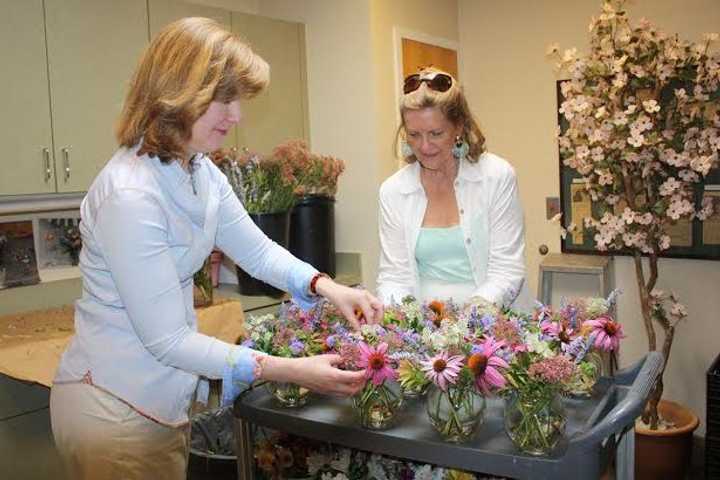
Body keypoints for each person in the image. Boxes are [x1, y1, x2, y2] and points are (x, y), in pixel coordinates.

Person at [49, 17, 382, 480]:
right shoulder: (130, 195)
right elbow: (168, 341)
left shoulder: (199, 171)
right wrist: (292, 369)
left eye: (238, 100)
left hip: (158, 407)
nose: (236, 115)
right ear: (177, 93)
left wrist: (326, 286)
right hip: (113, 415)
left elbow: (259, 251)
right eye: (223, 99)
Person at [376, 68, 532, 310]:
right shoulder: (393, 191)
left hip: (492, 322)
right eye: (414, 135)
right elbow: (394, 276)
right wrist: (394, 316)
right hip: (422, 329)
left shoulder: (496, 176)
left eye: (436, 133)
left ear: (458, 126)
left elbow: (506, 270)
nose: (425, 146)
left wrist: (471, 319)